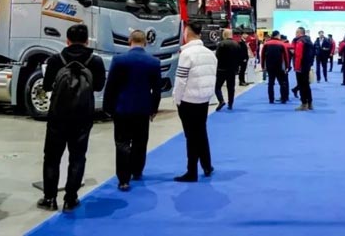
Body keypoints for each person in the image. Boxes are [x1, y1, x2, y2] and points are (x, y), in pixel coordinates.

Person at [37, 24, 106, 212]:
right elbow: (99, 86)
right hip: (83, 116)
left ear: (67, 40)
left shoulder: (55, 60)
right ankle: (71, 199)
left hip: (58, 116)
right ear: (87, 40)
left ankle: (50, 198)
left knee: (52, 157)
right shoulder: (95, 61)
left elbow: (47, 86)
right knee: (77, 157)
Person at [103, 30, 161, 192]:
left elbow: (111, 86)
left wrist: (108, 108)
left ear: (129, 41)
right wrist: (154, 109)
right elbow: (157, 90)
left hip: (122, 108)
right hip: (143, 109)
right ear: (145, 43)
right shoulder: (154, 62)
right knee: (140, 141)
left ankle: (123, 179)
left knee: (122, 143)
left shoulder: (119, 60)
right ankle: (137, 170)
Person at [172, 22, 218, 182]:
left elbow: (180, 80)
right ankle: (207, 165)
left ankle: (191, 171)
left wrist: (177, 99)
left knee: (191, 137)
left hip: (188, 101)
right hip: (204, 99)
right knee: (201, 132)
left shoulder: (186, 54)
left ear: (187, 33)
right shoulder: (210, 53)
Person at [215, 29, 242, 111]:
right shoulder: (237, 44)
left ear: (224, 35)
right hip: (232, 69)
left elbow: (217, 56)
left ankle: (221, 100)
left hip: (221, 69)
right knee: (231, 87)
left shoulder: (221, 44)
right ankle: (230, 104)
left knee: (217, 87)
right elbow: (239, 57)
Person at [261, 30, 290, 104]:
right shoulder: (282, 44)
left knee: (271, 83)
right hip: (279, 66)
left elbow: (262, 56)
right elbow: (286, 56)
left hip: (270, 66)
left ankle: (271, 99)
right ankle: (283, 99)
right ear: (277, 35)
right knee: (282, 83)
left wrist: (262, 66)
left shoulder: (266, 44)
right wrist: (287, 66)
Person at [293, 27, 314, 111]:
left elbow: (298, 55)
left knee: (301, 85)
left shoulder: (300, 41)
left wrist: (297, 67)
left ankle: (304, 104)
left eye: (296, 32)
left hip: (301, 66)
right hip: (307, 65)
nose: (295, 34)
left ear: (300, 33)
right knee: (306, 85)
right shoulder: (309, 41)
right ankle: (310, 103)